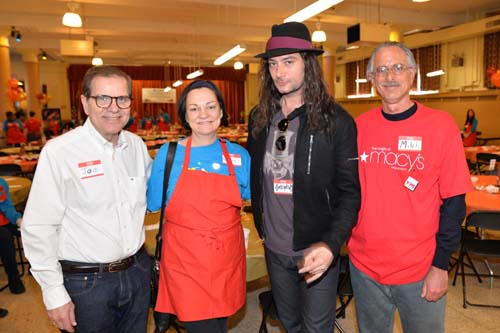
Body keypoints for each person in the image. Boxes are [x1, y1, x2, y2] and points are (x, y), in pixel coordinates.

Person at [348, 41, 473, 333]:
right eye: (381, 69)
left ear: (413, 73)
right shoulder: (358, 128)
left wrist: (441, 265)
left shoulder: (441, 126)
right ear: (371, 79)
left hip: (421, 268)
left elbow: (455, 203)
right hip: (364, 267)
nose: (389, 76)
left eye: (397, 67)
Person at [247, 21, 361, 332]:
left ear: (308, 64)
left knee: (316, 328)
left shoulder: (337, 122)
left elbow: (351, 193)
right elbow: (256, 179)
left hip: (316, 249)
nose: (279, 72)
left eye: (288, 61)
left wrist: (330, 244)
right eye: (272, 64)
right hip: (274, 246)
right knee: (289, 323)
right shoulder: (259, 118)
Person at [21, 65, 152, 333]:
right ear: (85, 103)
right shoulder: (60, 152)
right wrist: (54, 293)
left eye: (122, 99)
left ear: (130, 103)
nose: (113, 108)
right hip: (86, 284)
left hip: (137, 272)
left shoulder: (136, 147)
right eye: (102, 98)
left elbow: (156, 195)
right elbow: (39, 227)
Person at [147, 80, 250, 333]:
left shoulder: (239, 155)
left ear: (222, 112)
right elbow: (152, 203)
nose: (203, 114)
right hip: (185, 261)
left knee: (219, 324)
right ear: (184, 115)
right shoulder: (168, 154)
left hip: (226, 259)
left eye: (210, 106)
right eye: (194, 109)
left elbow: (250, 198)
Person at [0, 177, 25, 295]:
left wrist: (17, 218)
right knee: (5, 238)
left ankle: (35, 267)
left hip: (4, 222)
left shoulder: (1, 183)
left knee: (30, 228)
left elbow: (7, 206)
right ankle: (14, 277)